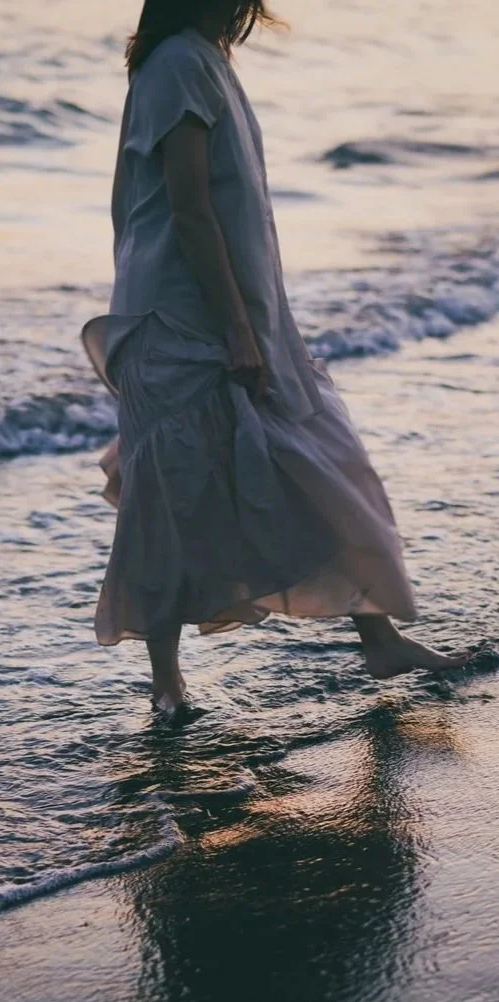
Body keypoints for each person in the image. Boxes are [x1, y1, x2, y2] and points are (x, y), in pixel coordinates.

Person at [81, 0, 471, 716]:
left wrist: (254, 320)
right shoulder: (176, 66)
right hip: (180, 318)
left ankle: (378, 639)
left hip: (237, 311)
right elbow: (189, 207)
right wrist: (235, 327)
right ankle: (166, 684)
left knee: (316, 463)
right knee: (168, 498)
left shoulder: (200, 61)